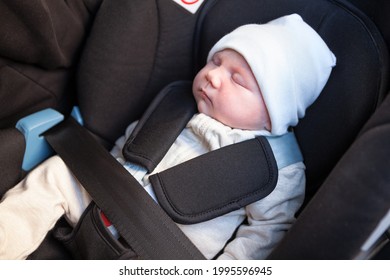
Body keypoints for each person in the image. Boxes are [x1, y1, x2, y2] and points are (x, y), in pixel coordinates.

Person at [0, 14, 336, 260]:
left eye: (238, 80)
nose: (213, 76)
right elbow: (132, 144)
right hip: (103, 205)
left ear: (273, 112)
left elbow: (267, 231)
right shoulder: (178, 105)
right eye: (216, 62)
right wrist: (108, 178)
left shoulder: (277, 166)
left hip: (162, 254)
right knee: (58, 173)